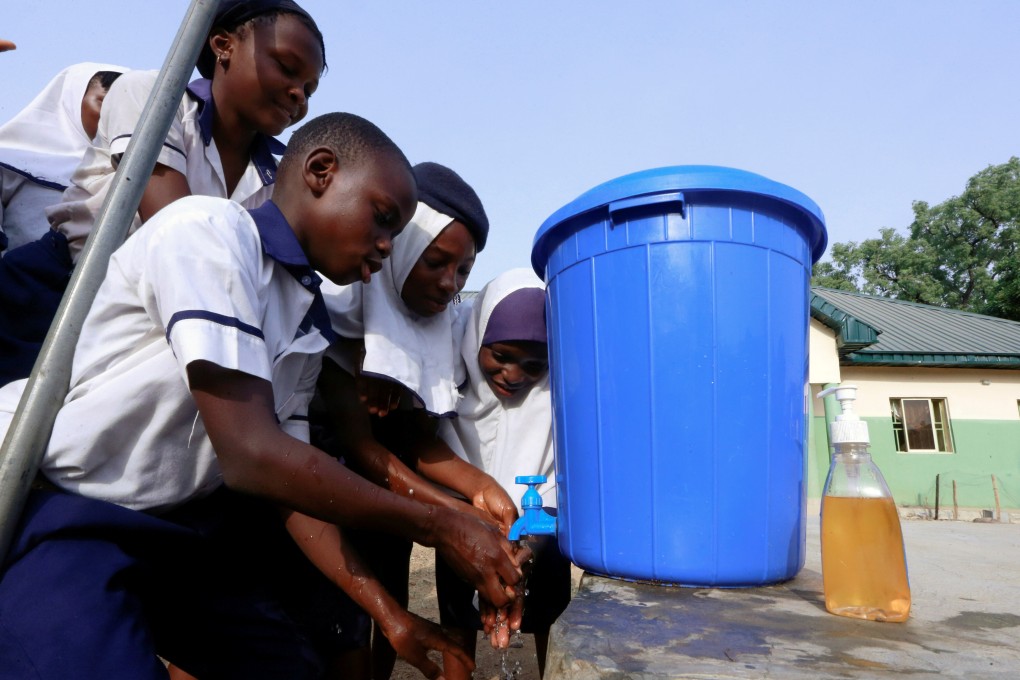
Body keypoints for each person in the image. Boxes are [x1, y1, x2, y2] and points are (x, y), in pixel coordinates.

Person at [0, 111, 524, 680]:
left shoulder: (304, 323)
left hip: (173, 532)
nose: (383, 248)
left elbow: (293, 494)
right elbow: (251, 454)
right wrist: (439, 525)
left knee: (291, 668)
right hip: (66, 508)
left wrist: (392, 616)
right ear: (321, 171)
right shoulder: (209, 233)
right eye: (382, 219)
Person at [0, 0, 325, 386]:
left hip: (151, 332)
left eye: (309, 89)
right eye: (287, 69)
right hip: (52, 296)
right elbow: (177, 230)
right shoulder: (152, 95)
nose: (298, 96)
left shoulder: (279, 177)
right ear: (223, 45)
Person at [317, 161, 524, 679]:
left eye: (463, 272)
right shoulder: (340, 310)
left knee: (391, 604)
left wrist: (479, 488)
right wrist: (460, 518)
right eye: (435, 262)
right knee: (339, 632)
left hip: (391, 508)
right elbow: (364, 449)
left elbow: (415, 438)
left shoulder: (440, 331)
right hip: (324, 501)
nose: (448, 284)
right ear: (398, 247)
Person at [436, 267, 572, 679]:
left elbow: (560, 470)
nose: (513, 376)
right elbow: (435, 454)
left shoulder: (556, 392)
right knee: (457, 623)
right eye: (500, 356)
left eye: (534, 365)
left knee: (549, 618)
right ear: (477, 337)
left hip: (542, 531)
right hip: (462, 521)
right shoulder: (450, 380)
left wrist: (527, 543)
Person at [0, 63, 124, 253]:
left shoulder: (131, 174)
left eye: (125, 109)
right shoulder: (11, 159)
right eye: (104, 102)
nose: (114, 116)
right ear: (72, 101)